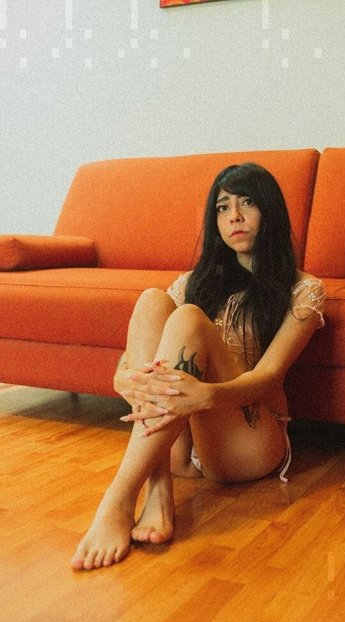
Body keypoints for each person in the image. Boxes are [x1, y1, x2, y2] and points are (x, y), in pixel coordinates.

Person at [71, 162, 325, 571]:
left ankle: (118, 498)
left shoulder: (303, 288)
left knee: (188, 318)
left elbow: (270, 375)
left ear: (270, 211)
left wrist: (206, 396)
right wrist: (122, 377)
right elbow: (139, 351)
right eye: (223, 208)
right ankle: (158, 489)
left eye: (247, 203)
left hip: (248, 441)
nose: (234, 216)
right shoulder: (194, 282)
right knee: (152, 300)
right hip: (180, 450)